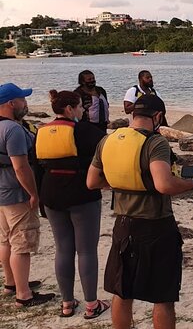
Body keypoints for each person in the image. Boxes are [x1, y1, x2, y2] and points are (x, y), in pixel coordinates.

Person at [87, 94, 193, 329]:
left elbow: (92, 181)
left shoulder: (107, 141)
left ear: (133, 114)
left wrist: (121, 181)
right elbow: (164, 185)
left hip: (123, 224)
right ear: (158, 117)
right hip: (156, 225)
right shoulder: (155, 143)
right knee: (162, 295)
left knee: (122, 291)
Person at [35, 90, 109, 318]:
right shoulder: (86, 131)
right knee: (86, 250)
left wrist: (40, 201)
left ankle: (67, 303)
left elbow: (36, 166)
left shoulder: (41, 131)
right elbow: (107, 153)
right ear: (69, 109)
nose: (84, 110)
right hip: (81, 194)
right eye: (80, 107)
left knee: (63, 249)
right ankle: (91, 305)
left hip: (51, 194)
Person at [0, 83, 55, 307]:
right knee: (22, 242)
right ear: (11, 103)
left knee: (6, 240)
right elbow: (21, 167)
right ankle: (23, 295)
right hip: (16, 192)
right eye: (22, 99)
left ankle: (11, 283)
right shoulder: (12, 130)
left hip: (1, 192)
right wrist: (33, 193)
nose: (25, 103)